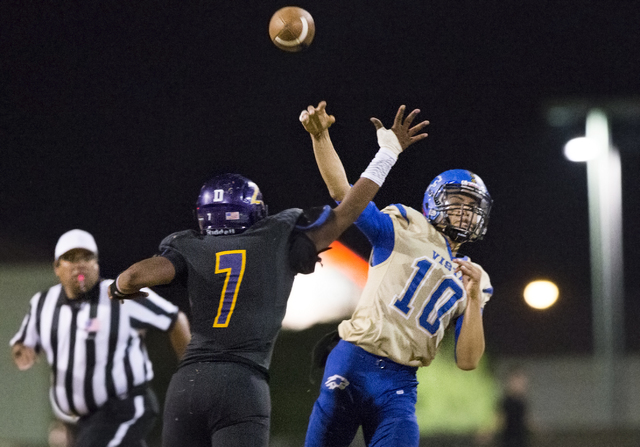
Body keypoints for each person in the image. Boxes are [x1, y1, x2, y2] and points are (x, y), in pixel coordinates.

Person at [105, 104, 429, 447]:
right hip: (242, 384)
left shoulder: (189, 246)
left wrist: (120, 289)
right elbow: (349, 208)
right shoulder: (275, 237)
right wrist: (388, 152)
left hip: (187, 386)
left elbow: (133, 276)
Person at [299, 101, 494, 447]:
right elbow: (343, 194)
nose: (465, 213)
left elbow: (467, 360)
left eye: (471, 207)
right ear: (434, 201)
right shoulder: (405, 226)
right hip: (354, 359)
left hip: (401, 383)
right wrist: (321, 137)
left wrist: (475, 298)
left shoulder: (473, 276)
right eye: (457, 202)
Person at [10, 229, 191, 447]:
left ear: (96, 263)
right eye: (70, 258)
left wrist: (190, 372)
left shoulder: (120, 293)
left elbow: (173, 318)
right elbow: (25, 340)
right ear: (57, 267)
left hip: (123, 408)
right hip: (77, 423)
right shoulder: (43, 302)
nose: (80, 265)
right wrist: (23, 350)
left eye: (87, 257)